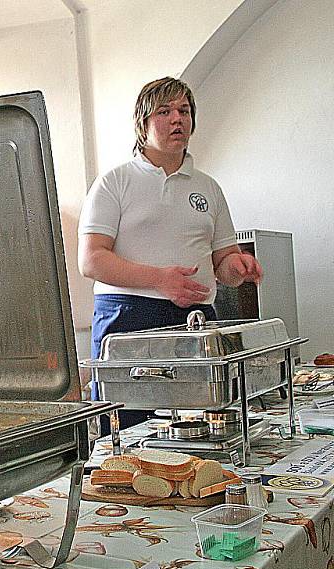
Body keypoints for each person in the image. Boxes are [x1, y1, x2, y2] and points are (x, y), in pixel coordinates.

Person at [78, 76, 262, 432]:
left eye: (184, 110)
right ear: (143, 123)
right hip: (128, 320)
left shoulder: (208, 187)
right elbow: (92, 260)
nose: (178, 119)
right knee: (125, 432)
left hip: (197, 321)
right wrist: (161, 279)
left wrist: (236, 267)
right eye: (165, 111)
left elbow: (222, 261)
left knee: (200, 429)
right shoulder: (114, 182)